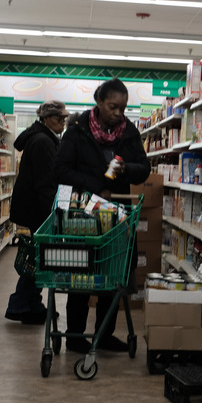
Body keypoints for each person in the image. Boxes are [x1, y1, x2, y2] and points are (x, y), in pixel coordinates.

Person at [54, 79, 150, 353]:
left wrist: (125, 169)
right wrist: (97, 186)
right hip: (81, 215)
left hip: (116, 217)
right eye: (113, 106)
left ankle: (104, 334)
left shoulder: (129, 133)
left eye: (123, 107)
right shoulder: (77, 131)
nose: (119, 113)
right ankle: (74, 337)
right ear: (99, 102)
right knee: (81, 276)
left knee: (112, 275)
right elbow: (60, 170)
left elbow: (144, 168)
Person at [6, 101, 70, 324]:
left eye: (64, 118)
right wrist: (55, 215)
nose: (63, 122)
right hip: (38, 210)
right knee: (39, 258)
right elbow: (45, 185)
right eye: (58, 118)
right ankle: (21, 305)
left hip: (33, 208)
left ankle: (31, 305)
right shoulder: (43, 141)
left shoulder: (43, 138)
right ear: (45, 119)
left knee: (38, 257)